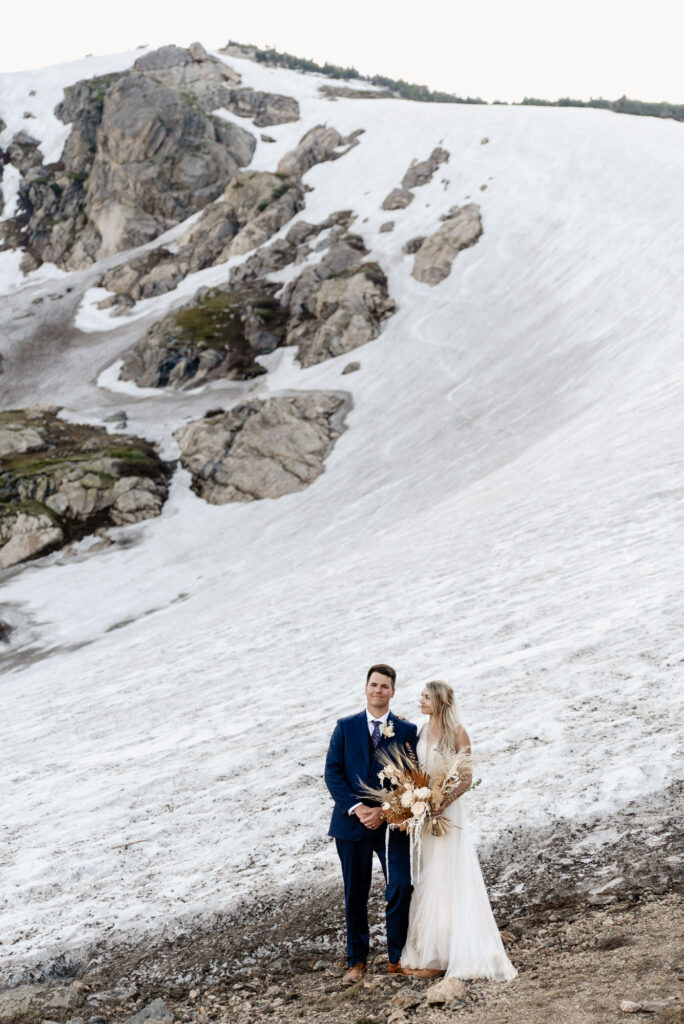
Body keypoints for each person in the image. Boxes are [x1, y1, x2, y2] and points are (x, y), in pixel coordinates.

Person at [400, 680, 517, 981]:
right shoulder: (421, 731)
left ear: (439, 701)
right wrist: (418, 800)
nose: (420, 701)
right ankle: (429, 948)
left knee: (445, 876)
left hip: (446, 815)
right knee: (427, 876)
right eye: (421, 696)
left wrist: (442, 802)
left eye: (425, 697)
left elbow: (466, 777)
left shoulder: (457, 732)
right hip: (426, 816)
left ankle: (442, 957)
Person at [324, 664, 418, 985]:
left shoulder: (406, 730)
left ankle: (398, 957)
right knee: (355, 894)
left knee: (400, 886)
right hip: (351, 825)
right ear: (366, 688)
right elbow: (332, 773)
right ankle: (357, 962)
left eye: (385, 686)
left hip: (392, 825)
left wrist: (386, 810)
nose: (378, 690)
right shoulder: (345, 727)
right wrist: (357, 808)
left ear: (393, 692)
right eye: (374, 685)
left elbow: (411, 778)